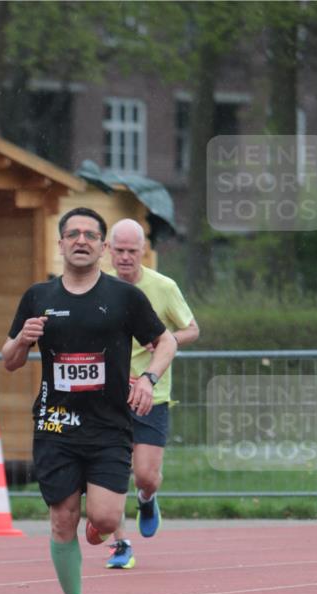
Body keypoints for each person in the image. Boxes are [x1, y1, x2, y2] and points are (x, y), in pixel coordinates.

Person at [2, 207, 177, 594]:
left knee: (102, 517)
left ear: (102, 247)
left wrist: (150, 379)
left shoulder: (123, 297)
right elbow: (9, 360)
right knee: (63, 517)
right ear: (60, 243)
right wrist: (22, 342)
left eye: (90, 235)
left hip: (107, 426)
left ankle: (100, 531)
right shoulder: (39, 297)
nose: (81, 240)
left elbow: (166, 340)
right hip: (56, 425)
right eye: (72, 234)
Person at [105, 218, 199, 569]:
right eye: (120, 250)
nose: (126, 257)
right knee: (110, 474)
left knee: (144, 474)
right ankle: (120, 546)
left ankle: (147, 497)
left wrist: (161, 339)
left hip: (151, 395)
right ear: (108, 251)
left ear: (143, 250)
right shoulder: (98, 288)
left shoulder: (162, 286)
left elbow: (191, 329)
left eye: (133, 251)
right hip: (108, 396)